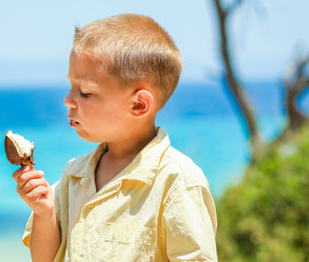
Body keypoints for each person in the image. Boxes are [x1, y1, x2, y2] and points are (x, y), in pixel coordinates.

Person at [12, 13, 217, 261]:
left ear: (139, 105)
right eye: (71, 87)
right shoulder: (73, 176)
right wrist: (44, 212)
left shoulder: (177, 181)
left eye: (85, 92)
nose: (68, 100)